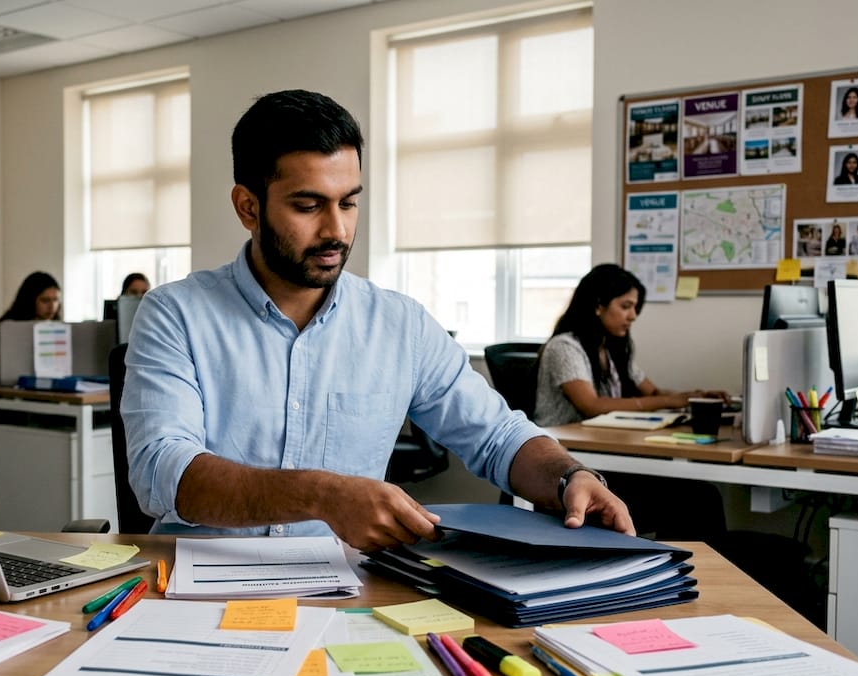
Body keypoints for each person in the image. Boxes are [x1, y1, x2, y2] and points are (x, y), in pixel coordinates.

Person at [121, 89, 633, 552]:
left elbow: (497, 436)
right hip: (200, 581)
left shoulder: (398, 324)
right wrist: (323, 496)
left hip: (350, 588)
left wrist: (568, 476)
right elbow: (163, 470)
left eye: (348, 202)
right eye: (308, 206)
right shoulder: (176, 314)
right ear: (248, 207)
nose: (336, 230)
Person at [533, 264, 728, 541]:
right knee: (698, 499)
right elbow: (591, 406)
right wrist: (668, 400)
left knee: (699, 496)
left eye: (635, 308)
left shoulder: (613, 347)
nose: (632, 316)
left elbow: (652, 393)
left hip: (606, 459)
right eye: (625, 306)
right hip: (573, 466)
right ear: (598, 305)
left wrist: (691, 397)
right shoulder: (565, 347)